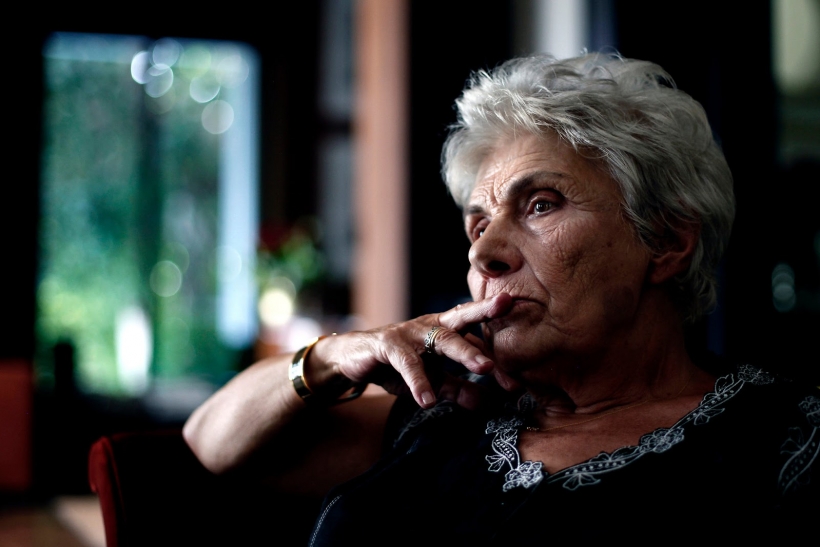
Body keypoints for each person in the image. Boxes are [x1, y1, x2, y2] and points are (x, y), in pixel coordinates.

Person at [183, 52, 819, 544]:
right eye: (478, 224)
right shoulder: (447, 414)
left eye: (541, 205)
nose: (483, 254)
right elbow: (210, 440)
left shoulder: (785, 440)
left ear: (668, 241)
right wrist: (330, 358)